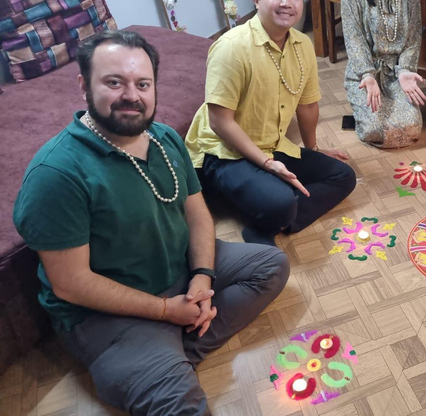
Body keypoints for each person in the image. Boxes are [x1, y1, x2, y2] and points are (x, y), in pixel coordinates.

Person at [13, 30, 290, 415]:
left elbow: (197, 214)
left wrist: (202, 277)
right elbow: (71, 284)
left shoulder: (163, 138)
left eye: (143, 83)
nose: (132, 95)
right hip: (104, 313)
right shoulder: (56, 173)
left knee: (271, 265)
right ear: (84, 85)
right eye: (114, 82)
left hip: (176, 270)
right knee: (182, 408)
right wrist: (165, 311)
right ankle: (158, 356)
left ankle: (171, 352)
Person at [185, 0, 357, 243]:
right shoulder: (231, 47)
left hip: (273, 145)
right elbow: (219, 122)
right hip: (224, 154)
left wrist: (313, 148)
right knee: (281, 201)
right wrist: (267, 164)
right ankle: (265, 214)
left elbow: (307, 105)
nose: (286, 3)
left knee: (343, 176)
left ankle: (272, 220)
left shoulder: (303, 45)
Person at [341, 0, 425, 148]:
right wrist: (367, 74)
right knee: (374, 129)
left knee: (413, 127)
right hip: (364, 75)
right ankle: (362, 108)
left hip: (397, 73)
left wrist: (406, 70)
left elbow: (413, 41)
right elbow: (354, 38)